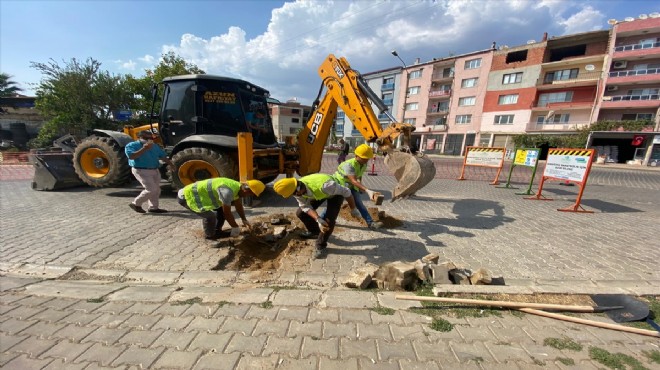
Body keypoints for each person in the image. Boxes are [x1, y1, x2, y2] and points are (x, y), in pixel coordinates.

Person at [273, 174, 360, 259]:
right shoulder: (296, 191)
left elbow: (347, 192)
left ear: (298, 188)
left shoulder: (327, 186)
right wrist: (318, 219)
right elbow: (305, 207)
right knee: (300, 213)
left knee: (329, 221)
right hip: (318, 193)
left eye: (294, 194)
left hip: (335, 193)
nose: (294, 196)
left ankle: (320, 245)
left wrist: (353, 208)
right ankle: (315, 232)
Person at [177, 178, 265, 240]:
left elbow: (238, 205)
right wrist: (235, 227)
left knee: (220, 211)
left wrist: (243, 219)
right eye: (250, 195)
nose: (248, 197)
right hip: (188, 197)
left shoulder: (237, 187)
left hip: (198, 195)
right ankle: (210, 236)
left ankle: (217, 231)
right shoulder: (227, 191)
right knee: (210, 217)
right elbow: (227, 213)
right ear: (246, 190)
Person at [330, 144, 384, 229]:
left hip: (351, 185)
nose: (366, 160)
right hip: (341, 185)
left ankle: (370, 223)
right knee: (335, 204)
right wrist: (367, 190)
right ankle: (324, 220)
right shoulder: (349, 165)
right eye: (363, 158)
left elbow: (358, 176)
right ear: (356, 156)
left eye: (367, 158)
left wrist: (360, 187)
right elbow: (353, 180)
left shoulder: (363, 164)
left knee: (359, 204)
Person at [125, 129, 174, 214]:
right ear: (139, 137)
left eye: (150, 137)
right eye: (145, 138)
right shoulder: (132, 145)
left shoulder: (154, 146)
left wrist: (171, 164)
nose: (148, 139)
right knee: (151, 189)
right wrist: (144, 149)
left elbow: (162, 156)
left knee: (157, 190)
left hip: (154, 169)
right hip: (141, 170)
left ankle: (153, 208)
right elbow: (132, 156)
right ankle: (136, 203)